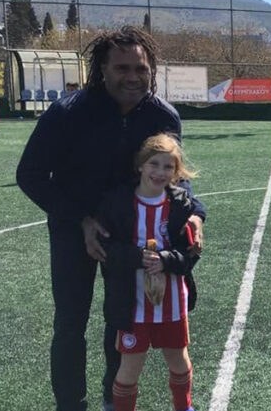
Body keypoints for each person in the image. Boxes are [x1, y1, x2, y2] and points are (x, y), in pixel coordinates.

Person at [16, 26, 206, 411]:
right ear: (102, 68)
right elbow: (30, 175)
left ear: (152, 70)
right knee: (70, 322)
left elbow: (173, 175)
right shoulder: (67, 113)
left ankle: (111, 401)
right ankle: (70, 404)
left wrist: (196, 213)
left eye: (141, 68)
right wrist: (82, 219)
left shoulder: (162, 115)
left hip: (128, 239)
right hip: (73, 231)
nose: (132, 77)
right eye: (122, 68)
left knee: (120, 320)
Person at [98, 134, 199, 411]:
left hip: (172, 301)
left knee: (178, 359)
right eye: (154, 164)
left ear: (176, 172)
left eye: (168, 167)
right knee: (130, 366)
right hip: (132, 303)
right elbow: (106, 249)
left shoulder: (181, 205)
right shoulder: (119, 203)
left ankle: (184, 407)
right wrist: (136, 257)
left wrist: (166, 260)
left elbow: (190, 253)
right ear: (140, 165)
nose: (160, 172)